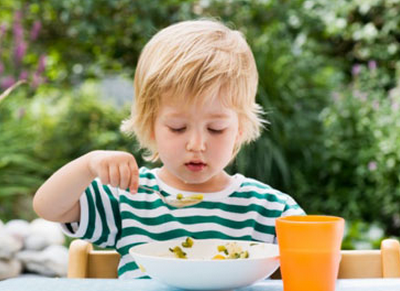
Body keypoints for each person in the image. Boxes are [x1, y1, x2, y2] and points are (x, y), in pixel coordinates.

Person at [33, 19, 304, 279]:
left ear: (239, 131)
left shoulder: (268, 209)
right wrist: (89, 164)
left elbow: (314, 253)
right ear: (150, 127)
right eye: (177, 128)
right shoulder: (130, 198)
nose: (196, 145)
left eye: (216, 129)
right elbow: (48, 207)